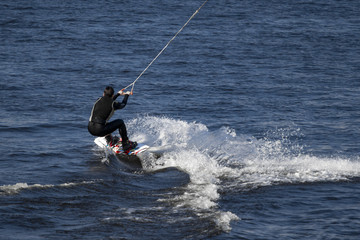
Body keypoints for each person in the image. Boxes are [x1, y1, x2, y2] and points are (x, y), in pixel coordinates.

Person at [88, 86, 137, 151]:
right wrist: (126, 95)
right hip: (100, 130)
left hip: (90, 128)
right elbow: (123, 104)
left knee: (105, 122)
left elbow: (108, 100)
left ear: (103, 94)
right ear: (112, 95)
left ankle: (109, 140)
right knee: (120, 122)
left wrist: (118, 94)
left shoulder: (98, 99)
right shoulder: (113, 104)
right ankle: (126, 145)